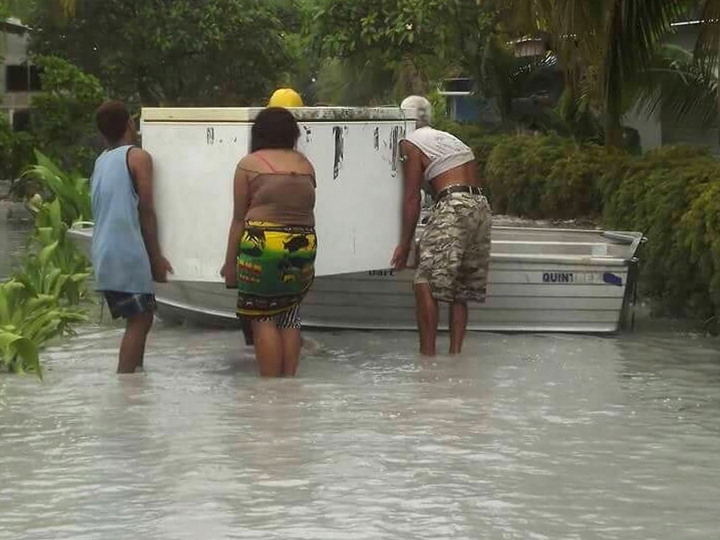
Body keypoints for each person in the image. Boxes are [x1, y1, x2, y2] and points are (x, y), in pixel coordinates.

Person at [391, 95, 492, 357]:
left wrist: (405, 244)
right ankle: (455, 357)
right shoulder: (448, 138)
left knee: (424, 282)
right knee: (460, 287)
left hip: (453, 203)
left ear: (404, 120)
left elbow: (412, 197)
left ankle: (428, 359)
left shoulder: (410, 142)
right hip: (481, 206)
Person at [221, 107, 317, 377]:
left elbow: (239, 219)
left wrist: (230, 265)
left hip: (262, 245)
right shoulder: (305, 166)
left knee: (262, 318)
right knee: (289, 315)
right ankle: (287, 388)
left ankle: (271, 392)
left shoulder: (249, 164)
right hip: (303, 244)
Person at [90, 100, 173, 373]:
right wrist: (157, 258)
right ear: (130, 124)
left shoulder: (101, 161)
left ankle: (133, 386)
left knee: (137, 318)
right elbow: (146, 210)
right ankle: (126, 380)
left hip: (104, 251)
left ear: (103, 133)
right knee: (141, 318)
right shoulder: (137, 157)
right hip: (126, 251)